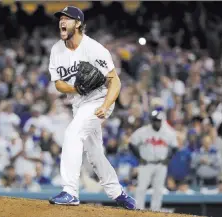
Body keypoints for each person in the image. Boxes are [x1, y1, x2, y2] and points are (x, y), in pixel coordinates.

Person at [48, 6, 135, 209]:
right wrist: (75, 88)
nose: (62, 21)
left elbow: (115, 82)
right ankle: (118, 193)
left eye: (67, 18)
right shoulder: (56, 50)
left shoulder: (93, 49)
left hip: (98, 100)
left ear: (77, 23)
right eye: (60, 18)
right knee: (94, 155)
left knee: (72, 133)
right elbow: (58, 84)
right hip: (78, 104)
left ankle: (70, 191)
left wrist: (106, 105)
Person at [129, 109, 178, 211]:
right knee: (141, 188)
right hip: (146, 163)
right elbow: (131, 144)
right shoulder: (143, 131)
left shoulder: (168, 132)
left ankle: (155, 210)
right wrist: (139, 157)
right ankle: (138, 209)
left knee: (158, 189)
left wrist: (168, 159)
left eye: (159, 120)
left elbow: (175, 147)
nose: (158, 122)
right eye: (156, 120)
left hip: (161, 164)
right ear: (151, 120)